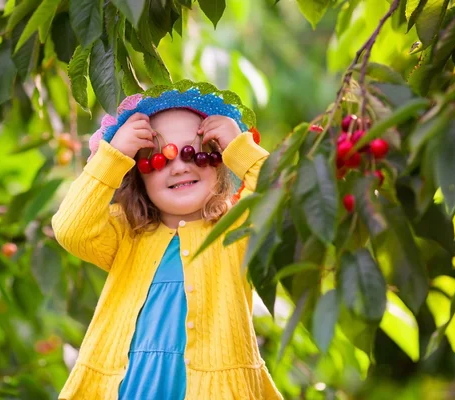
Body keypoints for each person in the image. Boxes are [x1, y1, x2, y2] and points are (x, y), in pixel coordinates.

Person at [52, 80, 283, 400]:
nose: (179, 167)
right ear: (136, 174)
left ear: (220, 161)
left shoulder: (237, 230)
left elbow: (286, 201)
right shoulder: (127, 234)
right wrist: (113, 156)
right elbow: (70, 229)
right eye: (156, 159)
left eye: (196, 152)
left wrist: (240, 148)